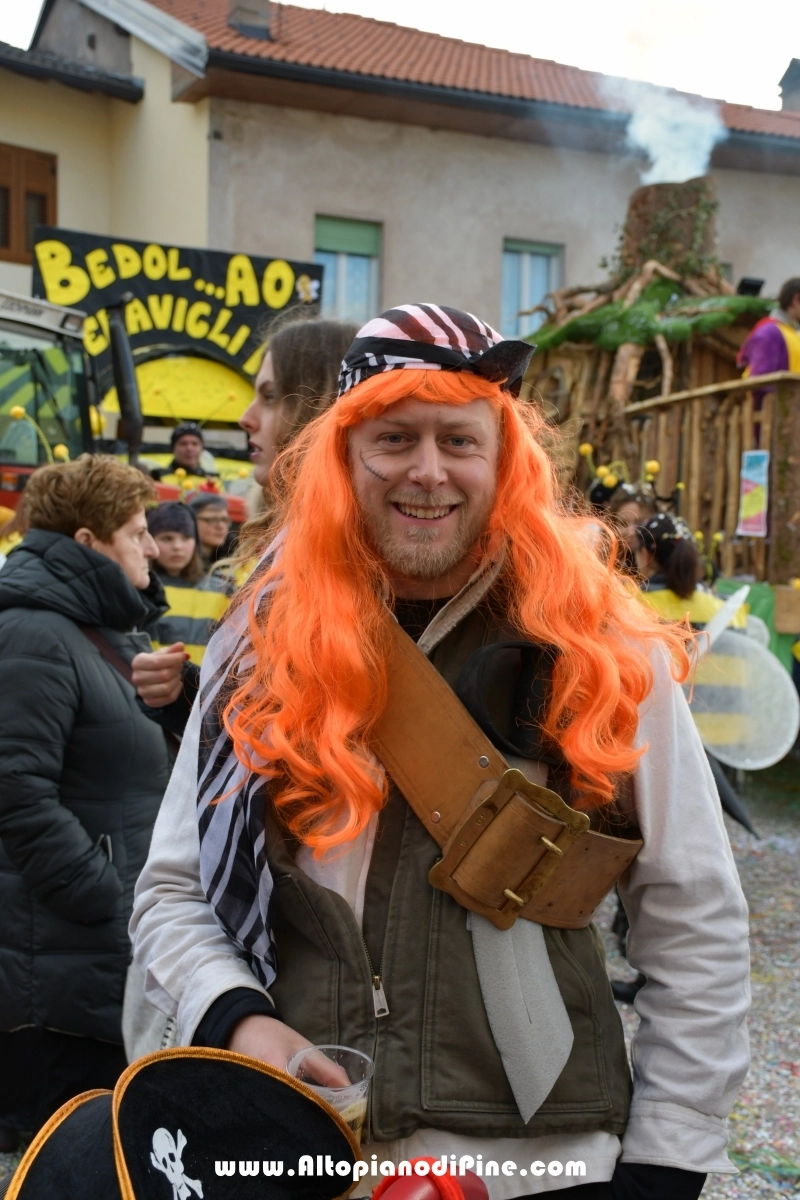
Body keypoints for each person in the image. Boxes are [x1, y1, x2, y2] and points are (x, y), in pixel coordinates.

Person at [131, 305, 750, 1200]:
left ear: (505, 462)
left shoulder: (602, 644)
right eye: (394, 438)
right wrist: (236, 1021)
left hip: (536, 1170)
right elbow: (173, 891)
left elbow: (694, 918)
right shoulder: (261, 640)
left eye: (459, 440)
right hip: (305, 1149)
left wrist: (668, 1159)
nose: (427, 471)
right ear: (344, 457)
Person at [0, 455, 171, 1138]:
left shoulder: (94, 629)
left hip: (97, 955)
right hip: (60, 972)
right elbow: (14, 786)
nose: (152, 547)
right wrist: (102, 893)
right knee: (62, 1159)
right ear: (88, 541)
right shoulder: (35, 632)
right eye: (137, 532)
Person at [132, 315, 357, 721]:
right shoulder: (294, 545)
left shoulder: (356, 562)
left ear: (319, 408)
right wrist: (188, 693)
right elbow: (269, 716)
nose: (246, 417)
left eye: (270, 397)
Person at [147, 502, 231, 665]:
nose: (177, 547)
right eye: (167, 538)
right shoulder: (140, 590)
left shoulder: (222, 590)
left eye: (186, 538)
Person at [737, 277, 800, 417]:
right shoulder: (769, 332)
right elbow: (761, 384)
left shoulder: (793, 333)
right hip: (774, 421)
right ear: (796, 300)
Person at [154, 422, 221, 486]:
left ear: (202, 448)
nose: (189, 448)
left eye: (195, 444)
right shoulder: (158, 476)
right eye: (183, 444)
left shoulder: (213, 480)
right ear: (173, 448)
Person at [187, 492, 234, 566]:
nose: (221, 526)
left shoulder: (236, 559)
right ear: (191, 521)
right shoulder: (180, 561)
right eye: (212, 520)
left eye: (224, 520)